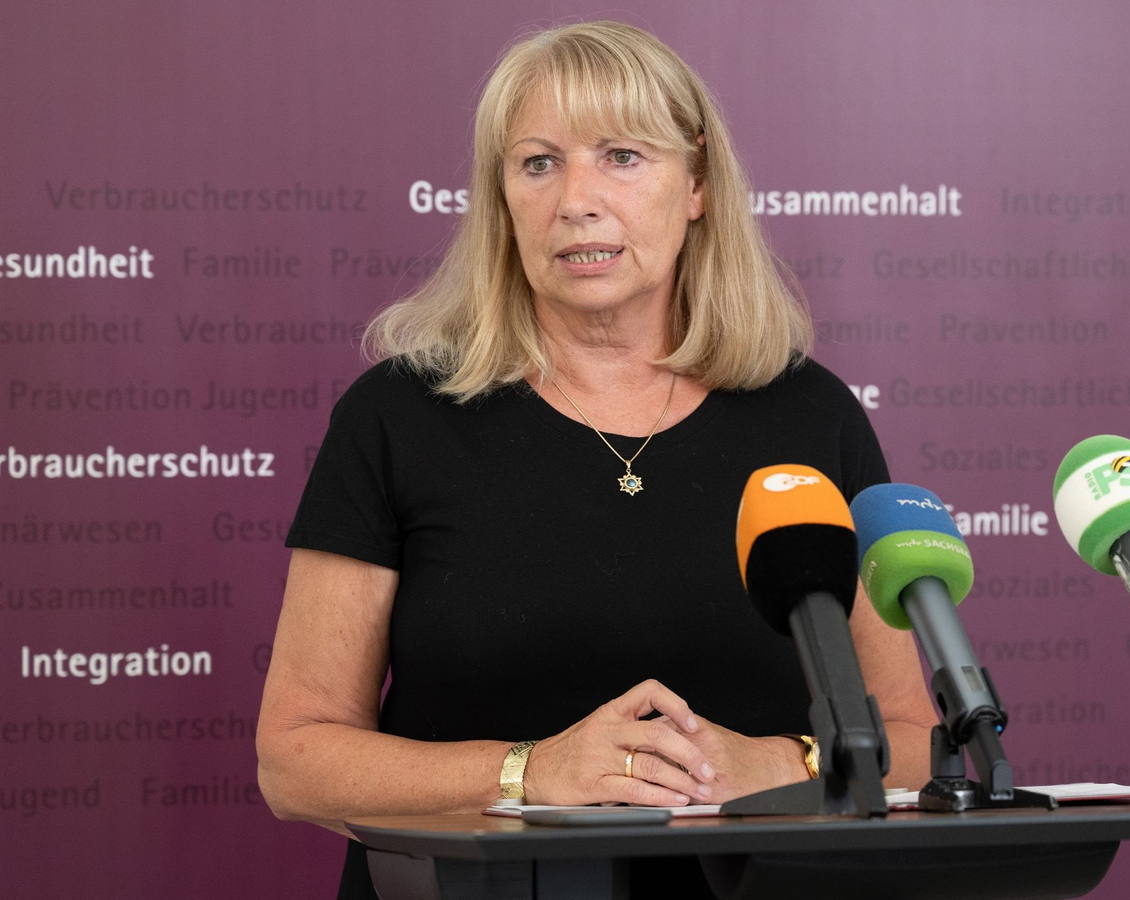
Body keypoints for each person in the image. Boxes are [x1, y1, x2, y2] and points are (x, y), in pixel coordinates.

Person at [257, 20, 938, 898]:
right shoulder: (397, 418)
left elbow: (919, 743)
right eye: (538, 163)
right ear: (502, 198)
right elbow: (296, 761)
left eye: (621, 156)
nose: (576, 199)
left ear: (697, 184)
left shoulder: (813, 417)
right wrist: (528, 772)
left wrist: (776, 765)